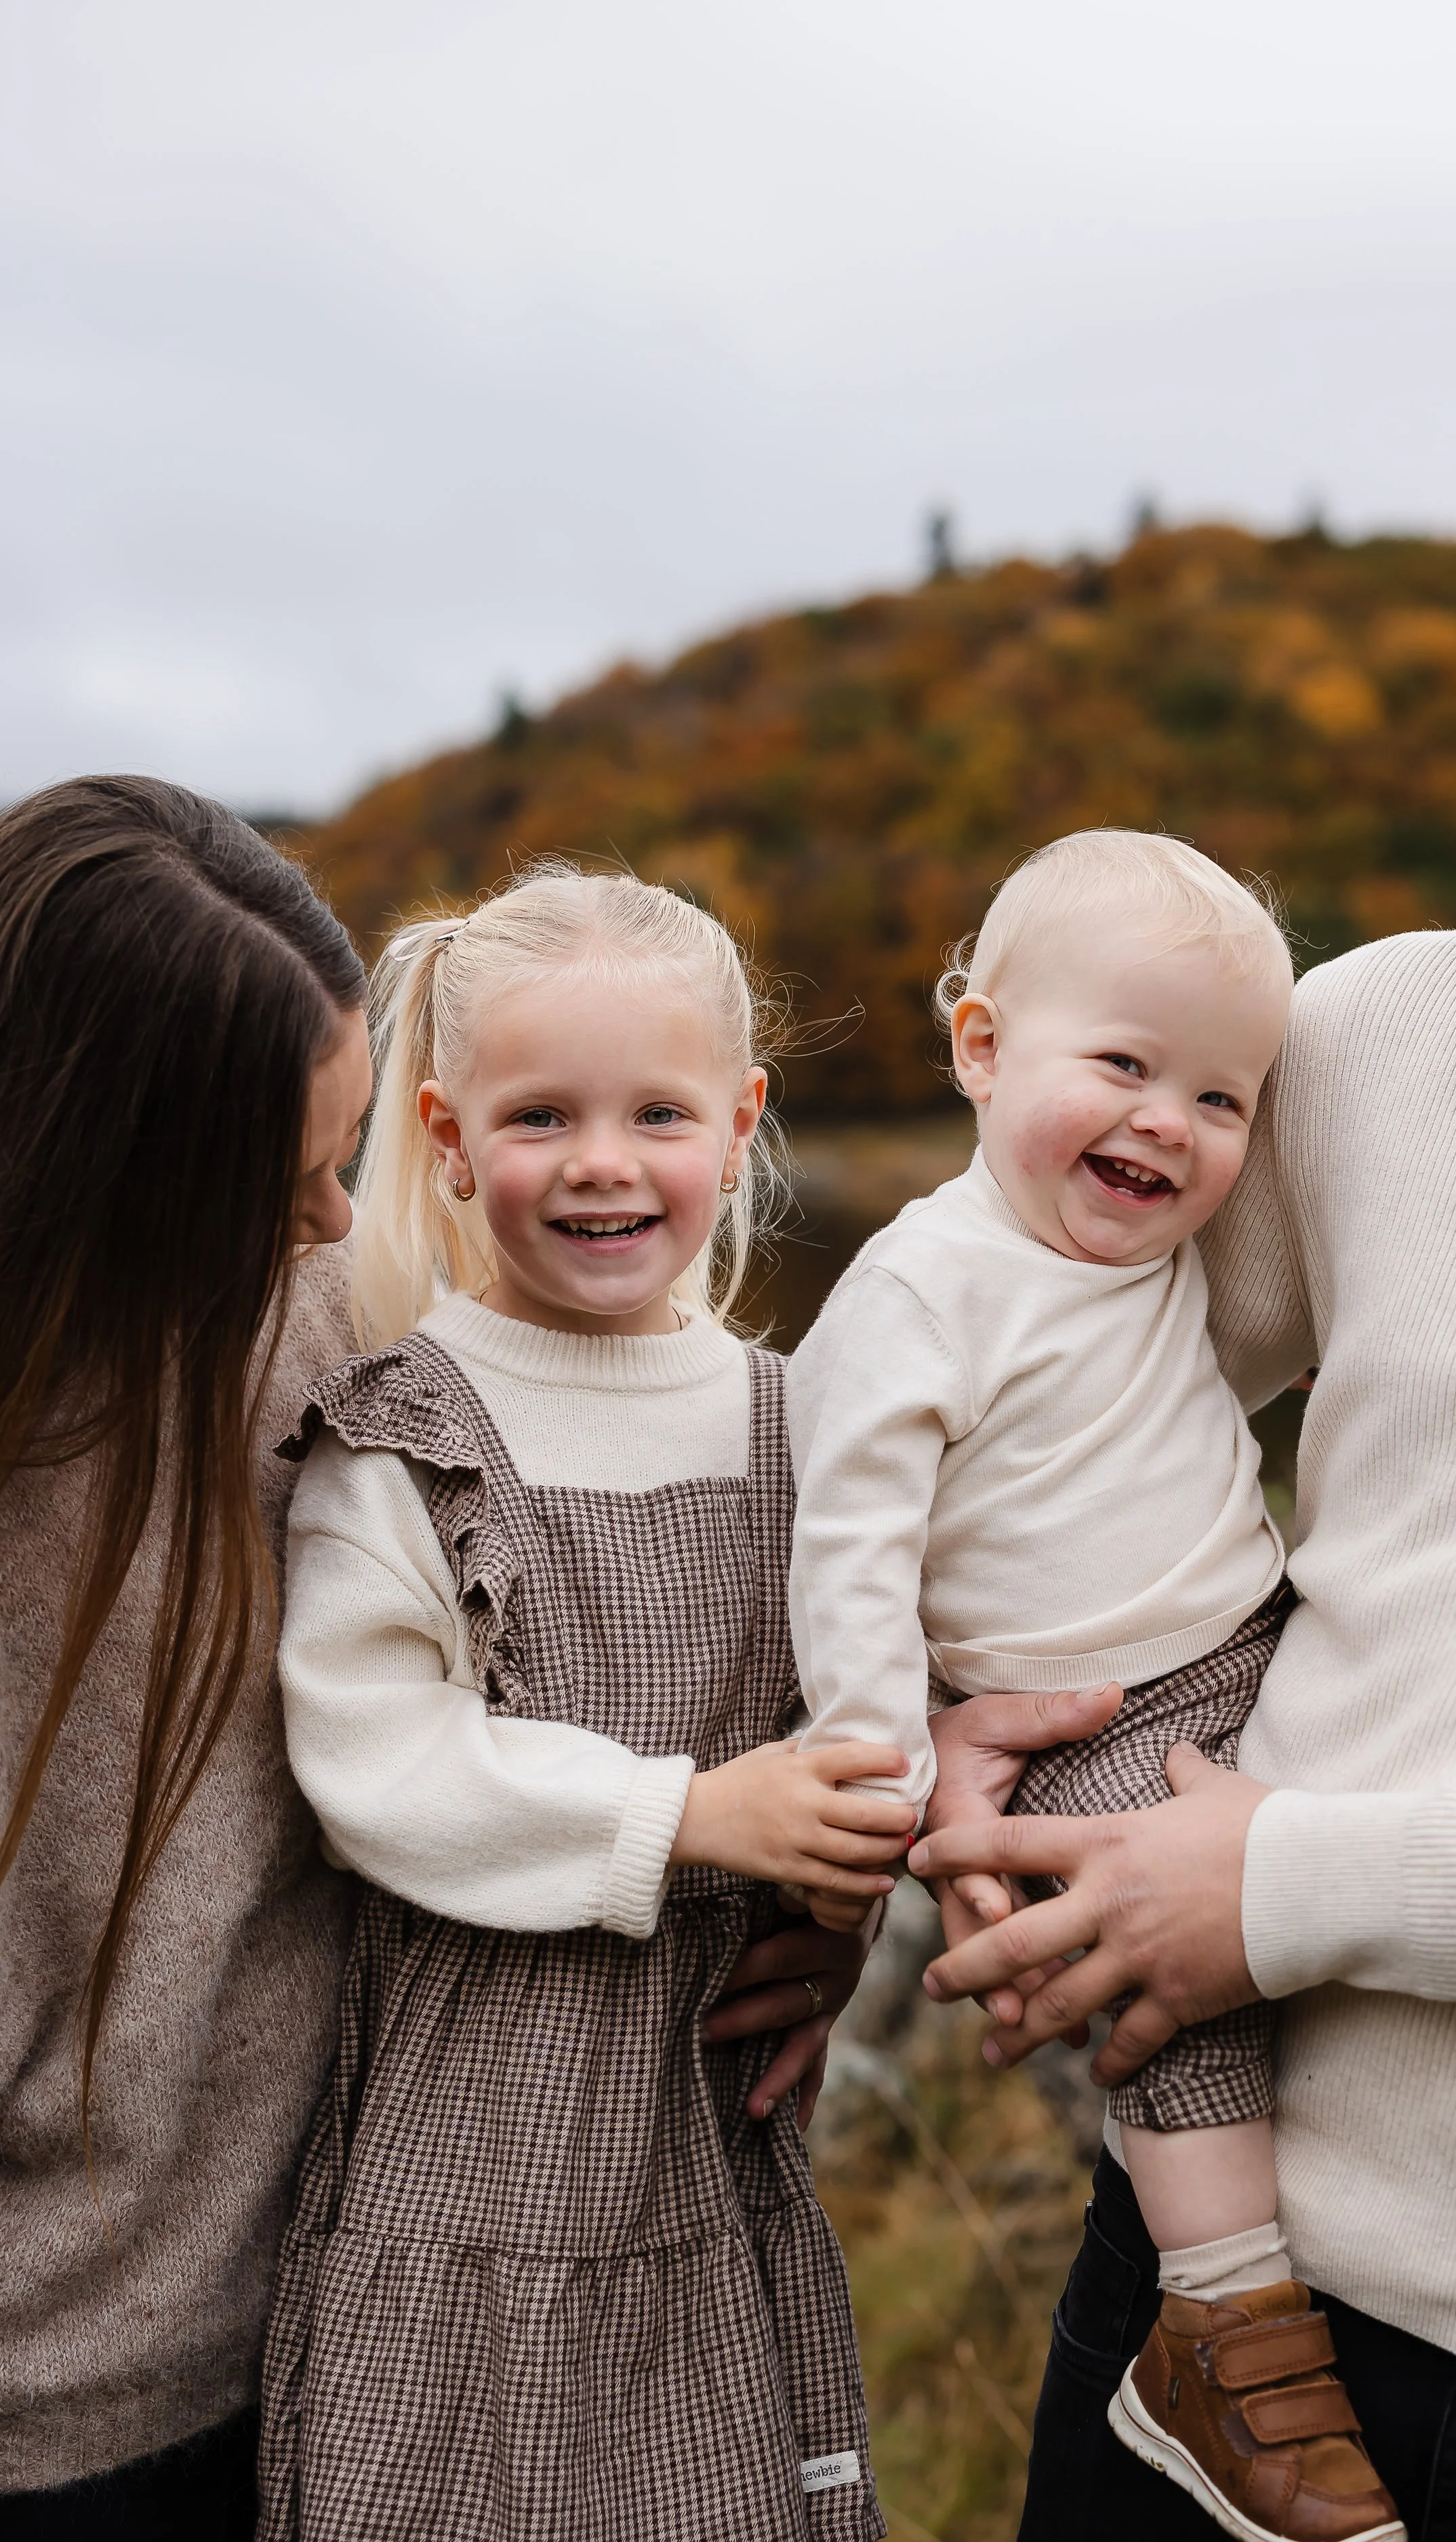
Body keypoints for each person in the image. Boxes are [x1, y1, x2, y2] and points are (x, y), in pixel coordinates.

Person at [909, 343, 1456, 2536]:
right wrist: (935, 1714)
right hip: (1216, 2316)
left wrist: (1276, 1886)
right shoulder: (1367, 1047)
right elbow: (1029, 1413)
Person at [258, 866, 914, 2541]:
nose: (603, 1162)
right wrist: (690, 1816)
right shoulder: (407, 1430)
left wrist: (843, 1892)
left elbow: (888, 1688)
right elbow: (375, 1756)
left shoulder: (802, 1419)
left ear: (742, 1122)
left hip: (703, 2126)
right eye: (540, 1115)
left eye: (658, 1113)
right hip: (470, 2132)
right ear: (450, 1135)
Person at [788, 832, 1401, 2541]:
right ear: (980, 1049)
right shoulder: (920, 1289)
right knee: (1171, 2009)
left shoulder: (1153, 1258)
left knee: (1329, 1892)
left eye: (1219, 1099)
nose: (1167, 1125)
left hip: (1255, 1638)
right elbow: (846, 1547)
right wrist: (874, 1766)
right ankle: (1225, 2319)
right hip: (1082, 1718)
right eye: (1119, 1066)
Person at [0, 776, 369, 2537]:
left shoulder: (320, 1339)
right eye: (278, 1184)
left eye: (347, 1153)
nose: (341, 1225)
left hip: (324, 2355)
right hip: (53, 2441)